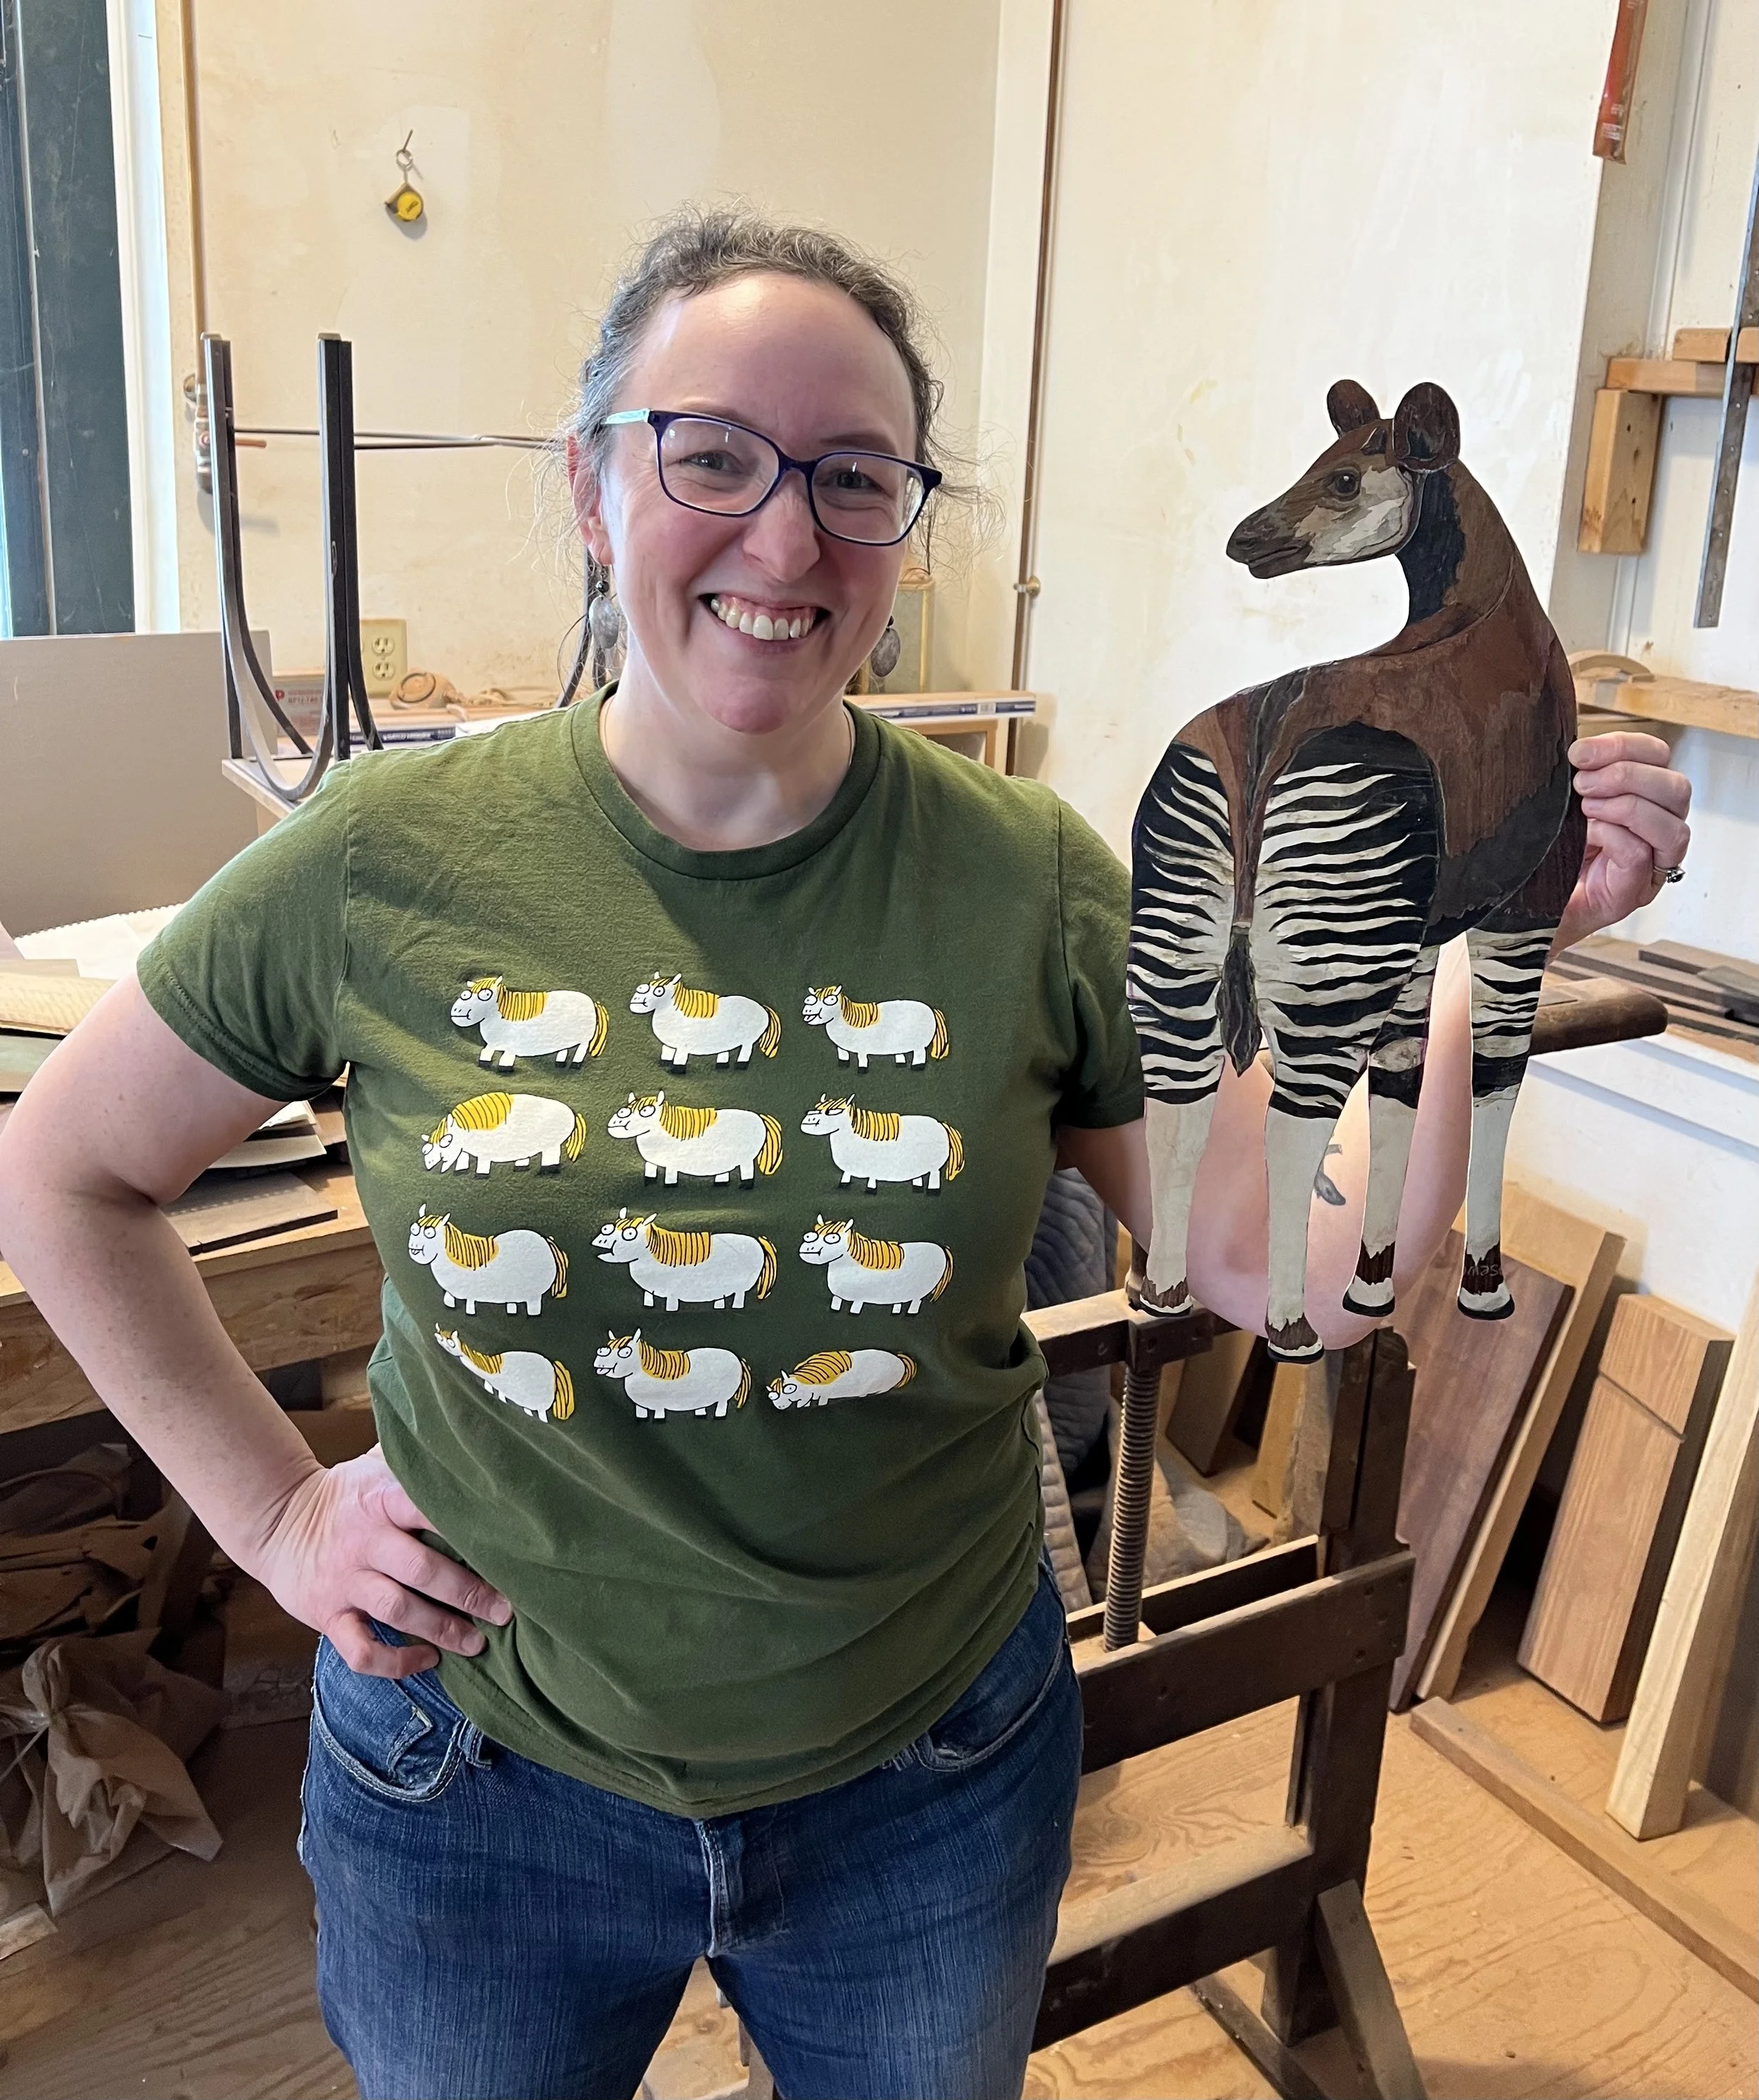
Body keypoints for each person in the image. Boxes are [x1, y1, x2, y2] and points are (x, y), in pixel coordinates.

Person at [0, 208, 1691, 2100]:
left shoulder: (1032, 877)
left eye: (855, 478)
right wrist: (274, 1517)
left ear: (905, 522)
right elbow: (64, 1174)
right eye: (708, 453)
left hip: (927, 1787)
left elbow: (1269, 1272)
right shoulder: (376, 860)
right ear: (588, 486)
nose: (785, 535)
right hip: (477, 1787)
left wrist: (1458, 948)